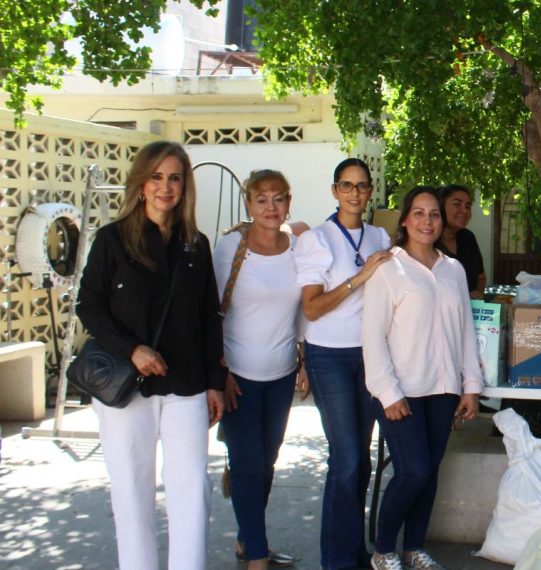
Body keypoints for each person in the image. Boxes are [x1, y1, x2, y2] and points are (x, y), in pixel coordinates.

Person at [76, 141, 225, 570]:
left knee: (192, 491)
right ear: (141, 184)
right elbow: (89, 306)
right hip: (127, 389)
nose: (166, 186)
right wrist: (132, 349)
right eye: (157, 177)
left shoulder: (195, 245)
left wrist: (215, 383)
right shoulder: (112, 240)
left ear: (185, 186)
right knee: (131, 490)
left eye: (175, 177)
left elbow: (208, 319)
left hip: (186, 386)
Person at [362, 186, 482, 570]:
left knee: (429, 472)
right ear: (404, 220)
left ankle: (414, 548)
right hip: (401, 391)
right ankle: (383, 549)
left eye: (433, 214)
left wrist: (471, 387)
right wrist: (387, 393)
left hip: (444, 389)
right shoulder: (387, 269)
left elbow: (465, 332)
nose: (427, 221)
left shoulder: (454, 270)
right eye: (418, 213)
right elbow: (372, 336)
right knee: (411, 471)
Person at [294, 158, 392, 570]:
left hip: (369, 355)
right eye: (347, 186)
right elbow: (312, 308)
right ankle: (336, 560)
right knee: (347, 457)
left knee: (362, 460)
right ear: (335, 191)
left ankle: (352, 551)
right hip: (329, 355)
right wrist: (359, 278)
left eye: (362, 186)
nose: (355, 194)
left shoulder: (380, 235)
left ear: (370, 192)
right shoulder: (317, 239)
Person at [214, 170, 306, 569]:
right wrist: (219, 373)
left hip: (282, 374)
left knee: (267, 462)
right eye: (261, 199)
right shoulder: (230, 247)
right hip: (238, 377)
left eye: (278, 198)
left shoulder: (298, 247)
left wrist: (303, 359)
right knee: (249, 463)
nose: (271, 207)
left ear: (288, 202)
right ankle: (256, 553)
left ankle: (245, 537)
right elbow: (208, 313)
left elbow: (305, 304)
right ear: (248, 204)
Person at [437, 184, 486, 299]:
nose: (464, 211)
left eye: (468, 206)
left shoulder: (468, 238)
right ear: (440, 207)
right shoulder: (428, 242)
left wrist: (478, 294)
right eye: (457, 204)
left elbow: (481, 277)